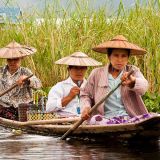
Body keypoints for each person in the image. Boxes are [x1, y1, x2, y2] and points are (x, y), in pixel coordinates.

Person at [81, 35, 150, 124]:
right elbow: (85, 94)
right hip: (104, 118)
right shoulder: (97, 73)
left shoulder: (133, 71)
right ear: (109, 57)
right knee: (96, 119)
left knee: (153, 117)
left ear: (128, 58)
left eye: (123, 56)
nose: (119, 60)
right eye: (116, 55)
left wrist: (133, 82)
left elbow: (143, 87)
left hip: (129, 118)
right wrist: (86, 107)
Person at [46, 52, 101, 117]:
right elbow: (49, 108)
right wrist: (69, 96)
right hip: (64, 122)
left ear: (86, 69)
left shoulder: (91, 87)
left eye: (82, 68)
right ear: (69, 69)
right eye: (75, 68)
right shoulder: (60, 87)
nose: (79, 71)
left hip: (86, 121)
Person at [0, 41, 42, 120]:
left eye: (15, 59)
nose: (12, 62)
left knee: (25, 116)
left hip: (23, 107)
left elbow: (38, 84)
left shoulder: (25, 71)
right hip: (4, 107)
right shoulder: (1, 71)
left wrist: (27, 80)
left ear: (21, 58)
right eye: (9, 60)